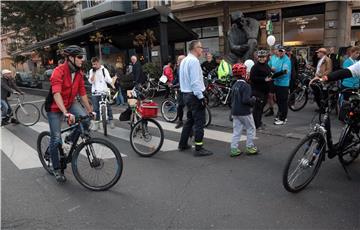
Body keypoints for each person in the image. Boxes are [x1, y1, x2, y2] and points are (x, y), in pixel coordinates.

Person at [45, 45, 93, 183]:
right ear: (70, 58)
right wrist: (66, 113)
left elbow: (83, 93)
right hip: (55, 107)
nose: (82, 60)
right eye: (79, 57)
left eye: (82, 57)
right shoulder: (58, 71)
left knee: (86, 121)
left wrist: (90, 111)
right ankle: (56, 169)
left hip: (70, 103)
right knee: (55, 138)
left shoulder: (78, 73)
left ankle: (70, 139)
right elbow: (56, 93)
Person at [178, 40, 213, 157]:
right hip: (194, 95)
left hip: (186, 94)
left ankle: (182, 143)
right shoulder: (194, 61)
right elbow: (195, 82)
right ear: (194, 48)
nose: (202, 49)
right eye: (200, 47)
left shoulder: (184, 61)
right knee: (199, 122)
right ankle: (198, 148)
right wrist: (201, 97)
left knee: (190, 120)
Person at [230, 63, 257, 157]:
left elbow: (232, 100)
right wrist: (253, 100)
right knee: (251, 128)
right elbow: (245, 100)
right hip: (244, 112)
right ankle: (250, 147)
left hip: (235, 112)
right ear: (244, 74)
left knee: (236, 131)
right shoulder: (246, 86)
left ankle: (234, 148)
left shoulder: (234, 85)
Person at [88, 57, 115, 130]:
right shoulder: (91, 71)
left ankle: (111, 120)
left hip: (104, 91)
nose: (94, 66)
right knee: (96, 109)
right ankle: (97, 124)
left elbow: (108, 79)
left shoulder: (104, 70)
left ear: (98, 63)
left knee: (108, 106)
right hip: (95, 92)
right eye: (93, 64)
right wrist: (93, 73)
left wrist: (112, 82)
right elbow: (91, 82)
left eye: (95, 64)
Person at [250, 50, 272, 130]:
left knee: (261, 108)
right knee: (257, 109)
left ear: (266, 58)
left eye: (263, 57)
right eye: (260, 57)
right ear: (258, 58)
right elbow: (252, 78)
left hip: (265, 91)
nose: (262, 58)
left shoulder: (267, 66)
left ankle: (258, 121)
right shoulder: (255, 67)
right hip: (258, 91)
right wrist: (264, 79)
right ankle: (256, 124)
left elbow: (269, 74)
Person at [270, 45, 291, 125]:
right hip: (277, 83)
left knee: (283, 102)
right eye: (279, 51)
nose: (280, 52)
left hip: (283, 84)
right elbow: (273, 68)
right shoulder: (278, 58)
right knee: (278, 101)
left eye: (282, 51)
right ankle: (280, 116)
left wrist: (273, 76)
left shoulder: (286, 60)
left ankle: (283, 119)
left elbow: (285, 72)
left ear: (284, 51)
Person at [264, 46, 278, 117]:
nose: (275, 51)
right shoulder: (272, 58)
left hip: (279, 80)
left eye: (276, 50)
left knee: (278, 97)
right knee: (270, 95)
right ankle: (271, 110)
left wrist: (274, 69)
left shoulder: (281, 58)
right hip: (272, 79)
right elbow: (268, 66)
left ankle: (280, 111)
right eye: (274, 50)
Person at [173, 55, 186, 129]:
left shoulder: (185, 67)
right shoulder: (178, 68)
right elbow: (177, 78)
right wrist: (173, 83)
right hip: (181, 90)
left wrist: (176, 85)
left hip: (185, 90)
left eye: (179, 60)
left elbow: (184, 80)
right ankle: (180, 121)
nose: (177, 61)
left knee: (181, 106)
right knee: (180, 106)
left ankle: (181, 121)